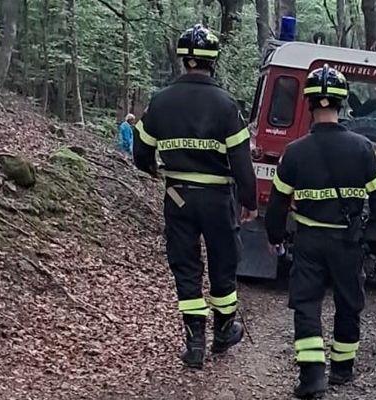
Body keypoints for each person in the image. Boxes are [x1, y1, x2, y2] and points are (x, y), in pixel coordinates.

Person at [265, 64, 376, 399]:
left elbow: (279, 201)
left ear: (309, 103)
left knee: (307, 304)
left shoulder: (294, 152)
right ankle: (342, 369)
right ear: (342, 104)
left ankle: (312, 378)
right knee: (349, 303)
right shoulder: (363, 148)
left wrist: (274, 237)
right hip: (347, 242)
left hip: (309, 241)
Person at [132, 23, 258, 370]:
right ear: (212, 61)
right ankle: (223, 331)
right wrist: (249, 200)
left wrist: (156, 172)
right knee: (223, 262)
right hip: (218, 197)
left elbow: (141, 152)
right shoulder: (226, 105)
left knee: (186, 266)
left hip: (178, 197)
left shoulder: (161, 101)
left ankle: (194, 344)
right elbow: (242, 162)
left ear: (183, 60)